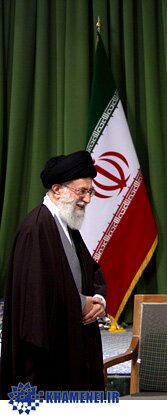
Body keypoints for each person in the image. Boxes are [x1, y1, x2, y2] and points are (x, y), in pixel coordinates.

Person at [1, 150, 107, 398]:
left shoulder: (65, 224)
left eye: (90, 192)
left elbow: (90, 270)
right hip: (46, 357)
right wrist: (80, 303)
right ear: (58, 189)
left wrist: (99, 300)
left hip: (73, 344)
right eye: (82, 191)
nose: (87, 199)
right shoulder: (36, 228)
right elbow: (35, 299)